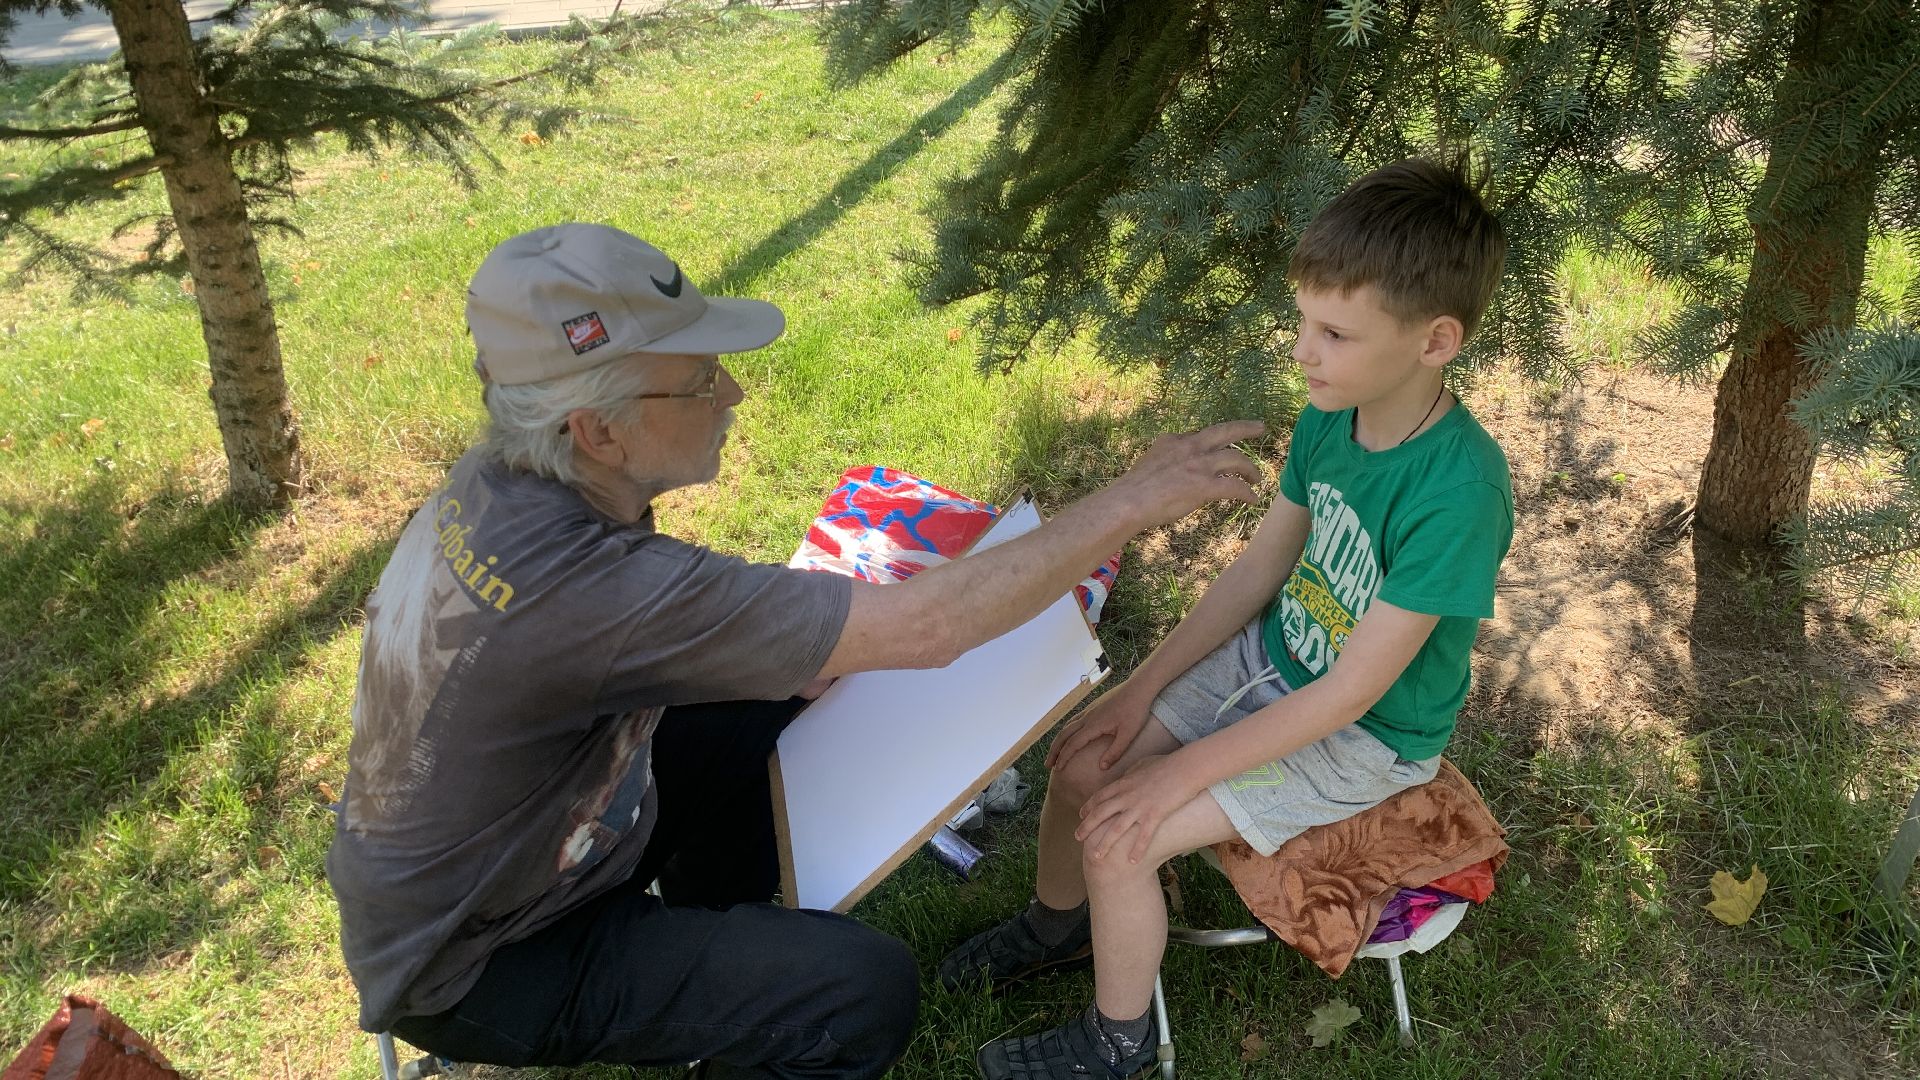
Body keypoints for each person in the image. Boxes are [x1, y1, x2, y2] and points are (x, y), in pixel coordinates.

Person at [324, 222, 1265, 1080]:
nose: (729, 391)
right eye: (698, 381)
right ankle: (737, 1015)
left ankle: (708, 953)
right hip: (485, 958)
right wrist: (1132, 503)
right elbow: (930, 630)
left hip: (499, 857)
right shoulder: (594, 592)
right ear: (597, 430)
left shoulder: (506, 475)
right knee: (858, 992)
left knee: (778, 690)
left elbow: (744, 638)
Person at [946, 158, 1514, 1080]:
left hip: (1367, 732)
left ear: (1435, 341)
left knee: (1124, 831)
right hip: (1279, 659)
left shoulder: (1459, 492)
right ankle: (1057, 930)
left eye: (1333, 332)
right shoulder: (1337, 413)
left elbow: (1352, 692)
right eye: (1305, 321)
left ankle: (1117, 1042)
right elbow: (1259, 567)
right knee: (1086, 757)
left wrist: (1178, 779)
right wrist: (1139, 692)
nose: (1302, 351)